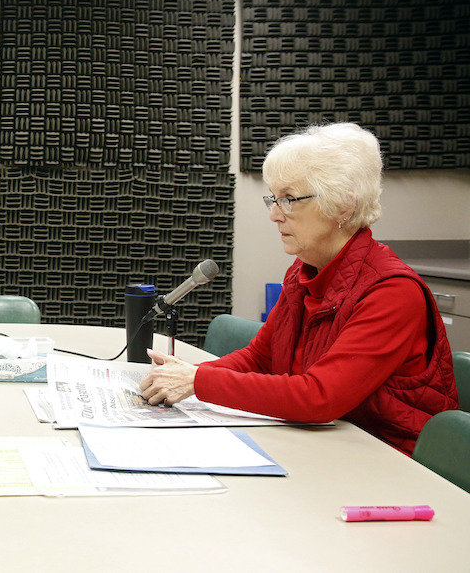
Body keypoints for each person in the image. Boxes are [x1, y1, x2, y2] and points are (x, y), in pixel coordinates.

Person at [139, 123, 458, 455]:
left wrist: (197, 382)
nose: (275, 215)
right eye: (274, 199)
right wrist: (186, 376)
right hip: (332, 444)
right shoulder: (304, 271)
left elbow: (320, 397)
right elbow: (260, 357)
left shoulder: (393, 293)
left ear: (343, 206)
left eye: (289, 199)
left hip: (389, 462)